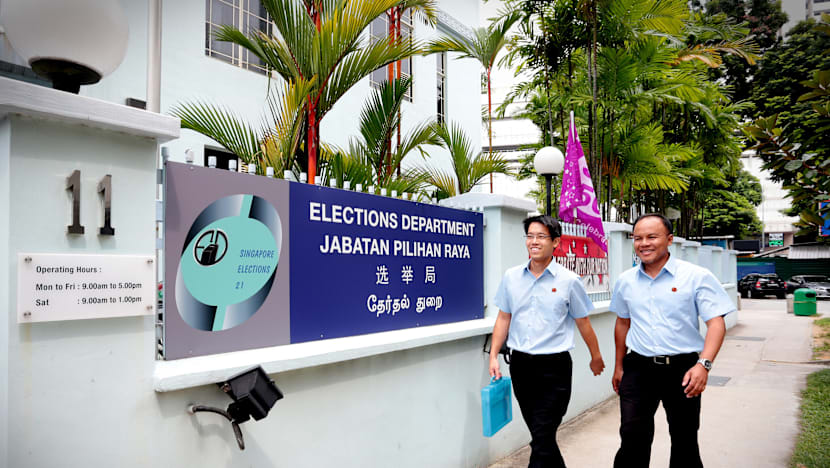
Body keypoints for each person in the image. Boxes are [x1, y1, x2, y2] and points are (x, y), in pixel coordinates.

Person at [611, 213, 734, 468]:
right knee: (632, 438)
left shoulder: (696, 276)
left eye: (651, 237)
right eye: (638, 238)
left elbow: (716, 322)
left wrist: (704, 365)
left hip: (683, 369)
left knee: (684, 439)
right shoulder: (625, 281)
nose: (644, 243)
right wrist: (619, 366)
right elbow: (623, 323)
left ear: (669, 240)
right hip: (638, 368)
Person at [489, 215, 605, 468]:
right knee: (541, 435)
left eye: (541, 236)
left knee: (542, 434)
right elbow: (503, 318)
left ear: (556, 243)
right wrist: (493, 356)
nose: (534, 241)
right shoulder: (512, 277)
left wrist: (596, 357)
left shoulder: (568, 281)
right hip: (521, 366)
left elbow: (583, 322)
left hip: (555, 368)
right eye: (530, 236)